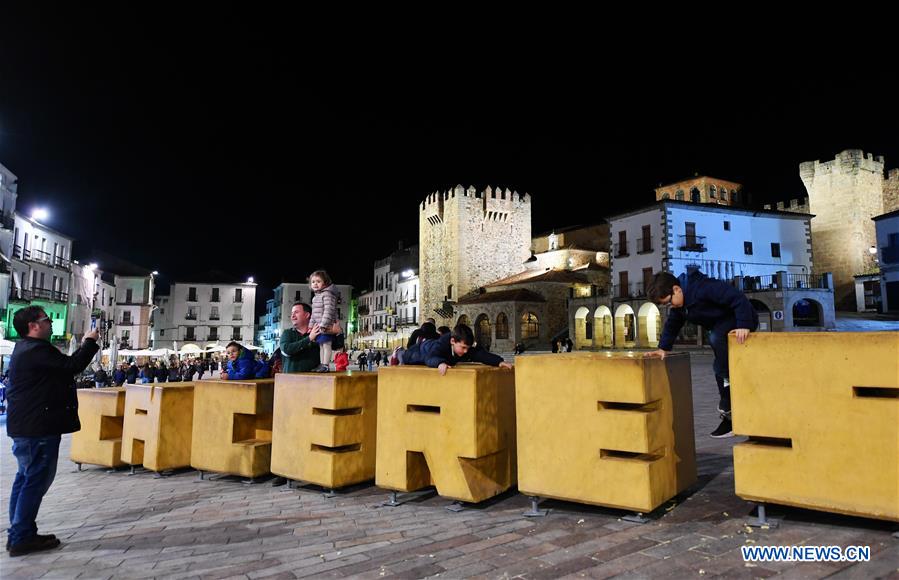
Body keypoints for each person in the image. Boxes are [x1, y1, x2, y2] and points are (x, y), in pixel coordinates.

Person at [5, 306, 100, 556]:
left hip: (27, 425)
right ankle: (22, 537)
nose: (52, 324)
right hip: (38, 427)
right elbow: (73, 365)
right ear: (33, 326)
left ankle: (19, 532)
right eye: (47, 320)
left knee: (25, 478)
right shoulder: (36, 350)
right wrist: (89, 342)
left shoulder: (25, 349)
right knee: (35, 480)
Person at [645, 270, 758, 438]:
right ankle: (729, 417)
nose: (671, 306)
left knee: (715, 340)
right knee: (718, 366)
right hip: (720, 326)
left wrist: (744, 324)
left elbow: (737, 298)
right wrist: (663, 348)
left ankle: (728, 397)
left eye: (669, 303)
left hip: (739, 317)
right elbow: (672, 324)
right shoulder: (681, 305)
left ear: (676, 289)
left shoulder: (704, 288)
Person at [402, 323, 513, 376]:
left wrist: (499, 361)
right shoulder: (442, 345)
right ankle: (399, 351)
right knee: (408, 356)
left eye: (467, 348)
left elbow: (480, 354)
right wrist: (440, 363)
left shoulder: (465, 347)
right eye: (463, 347)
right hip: (420, 351)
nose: (465, 351)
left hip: (431, 347)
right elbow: (431, 357)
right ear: (452, 341)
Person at [279, 302, 341, 373]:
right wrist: (309, 339)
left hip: (315, 380)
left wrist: (338, 333)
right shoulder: (288, 333)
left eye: (296, 312)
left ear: (307, 315)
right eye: (292, 313)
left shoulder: (319, 332)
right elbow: (286, 350)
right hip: (292, 381)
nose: (292, 316)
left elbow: (337, 346)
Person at [309, 270, 338, 373]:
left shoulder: (327, 295)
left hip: (327, 326)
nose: (315, 284)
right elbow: (313, 313)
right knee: (321, 345)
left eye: (318, 281)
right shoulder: (315, 297)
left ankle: (325, 365)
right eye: (313, 282)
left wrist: (324, 324)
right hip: (319, 326)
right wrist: (311, 325)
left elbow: (328, 311)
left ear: (325, 283)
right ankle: (322, 364)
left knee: (326, 345)